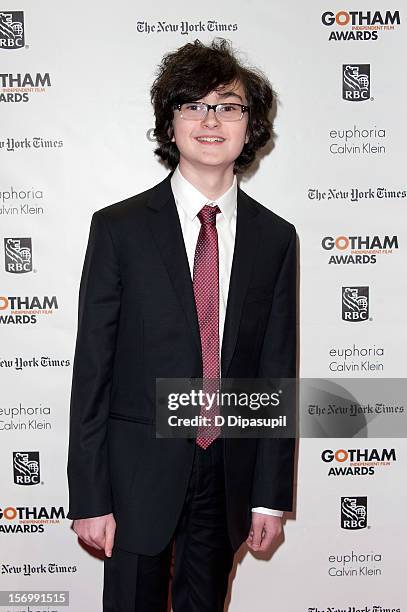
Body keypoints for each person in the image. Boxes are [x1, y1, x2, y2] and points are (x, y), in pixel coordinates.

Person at [67, 37, 297, 611]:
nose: (211, 119)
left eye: (229, 105)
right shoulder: (118, 229)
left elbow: (277, 374)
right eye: (192, 104)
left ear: (251, 126)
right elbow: (91, 372)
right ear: (170, 125)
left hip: (227, 474)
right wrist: (90, 496)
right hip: (135, 475)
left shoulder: (276, 238)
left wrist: (270, 497)